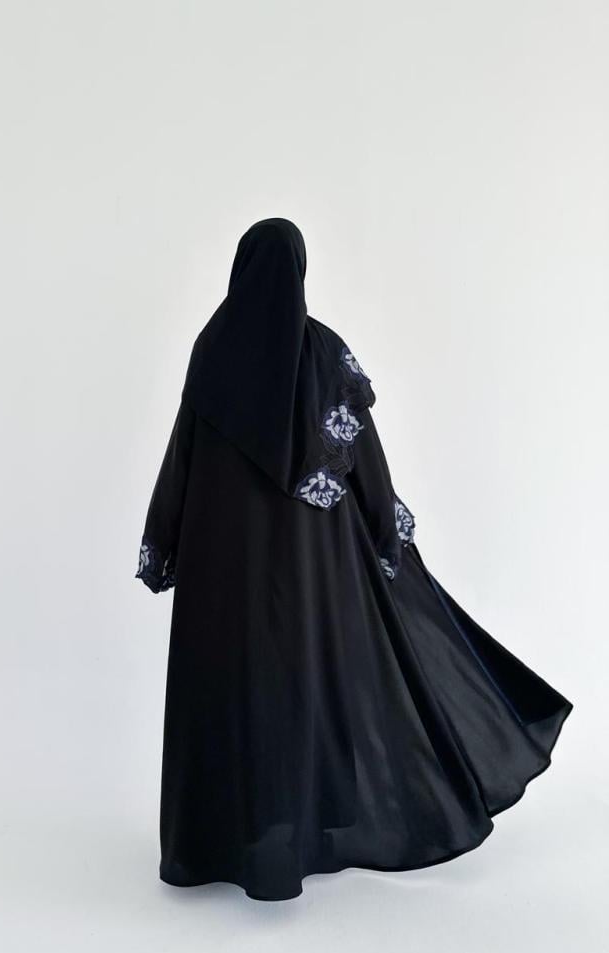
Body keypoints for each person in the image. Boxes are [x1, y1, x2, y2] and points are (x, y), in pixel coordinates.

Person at [135, 217, 572, 901]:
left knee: (230, 685)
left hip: (223, 574)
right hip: (312, 572)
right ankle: (311, 828)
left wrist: (164, 541)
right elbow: (362, 453)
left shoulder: (212, 350)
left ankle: (218, 840)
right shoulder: (324, 353)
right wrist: (383, 530)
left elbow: (181, 458)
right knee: (305, 679)